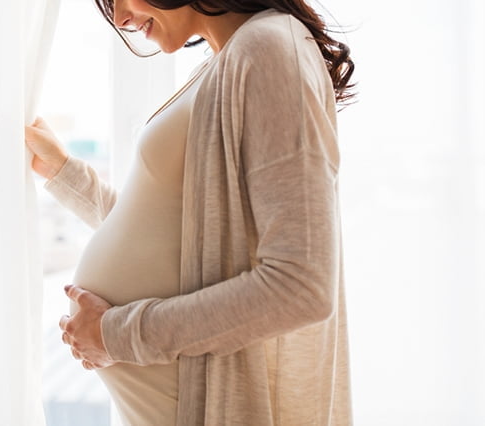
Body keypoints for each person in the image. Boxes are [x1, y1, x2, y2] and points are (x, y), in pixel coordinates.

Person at [25, 0, 355, 424]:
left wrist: (116, 336)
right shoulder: (231, 56)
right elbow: (174, 238)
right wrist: (65, 174)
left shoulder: (269, 48)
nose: (121, 20)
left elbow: (301, 287)